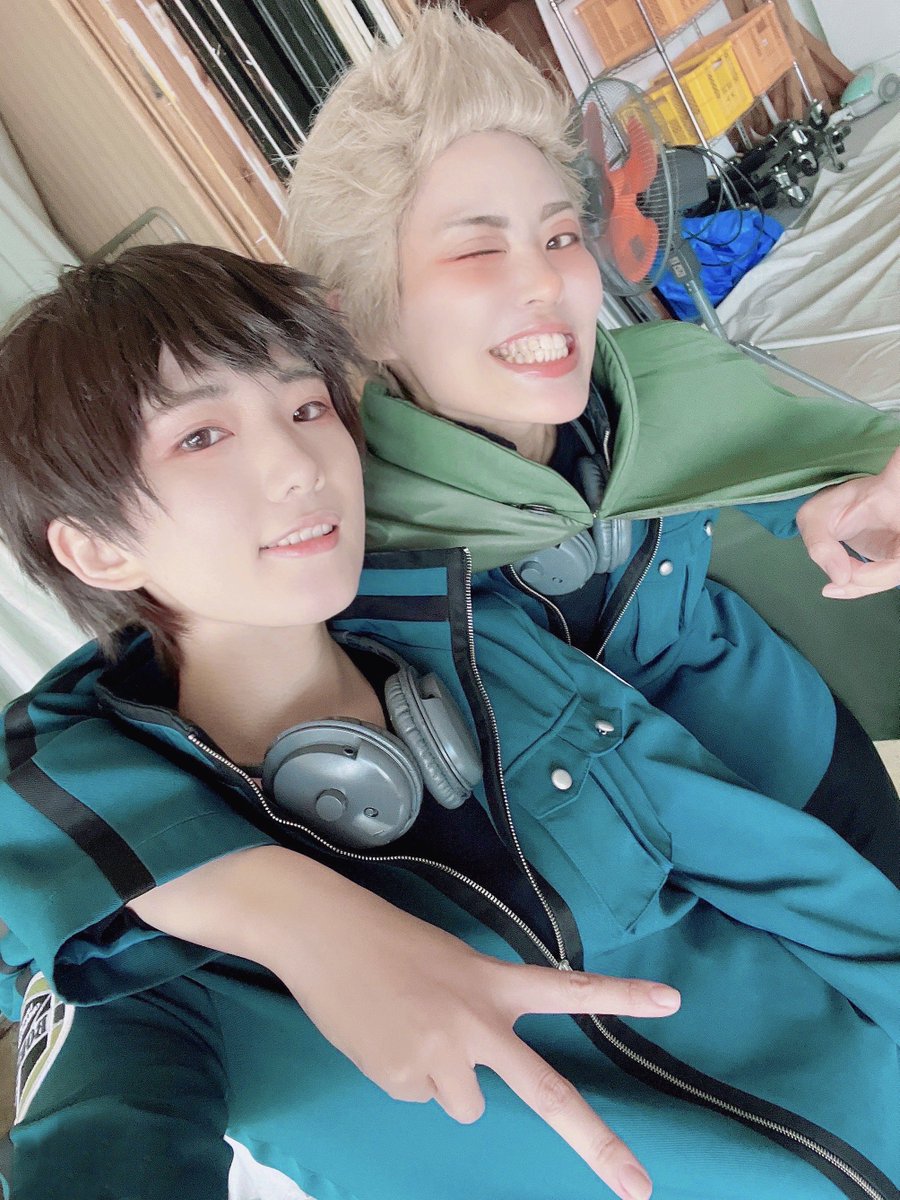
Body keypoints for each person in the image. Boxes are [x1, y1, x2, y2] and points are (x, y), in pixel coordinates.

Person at [1, 247, 899, 1200]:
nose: (300, 466)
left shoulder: (481, 639)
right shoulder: (126, 933)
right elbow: (100, 1144)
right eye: (201, 436)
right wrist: (300, 927)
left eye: (306, 407)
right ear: (97, 549)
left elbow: (786, 872)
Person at [285, 5, 900, 882]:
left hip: (804, 757)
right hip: (640, 879)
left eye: (561, 235)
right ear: (366, 318)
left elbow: (812, 464)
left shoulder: (660, 383)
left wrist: (864, 504)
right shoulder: (354, 552)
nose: (548, 280)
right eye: (477, 251)